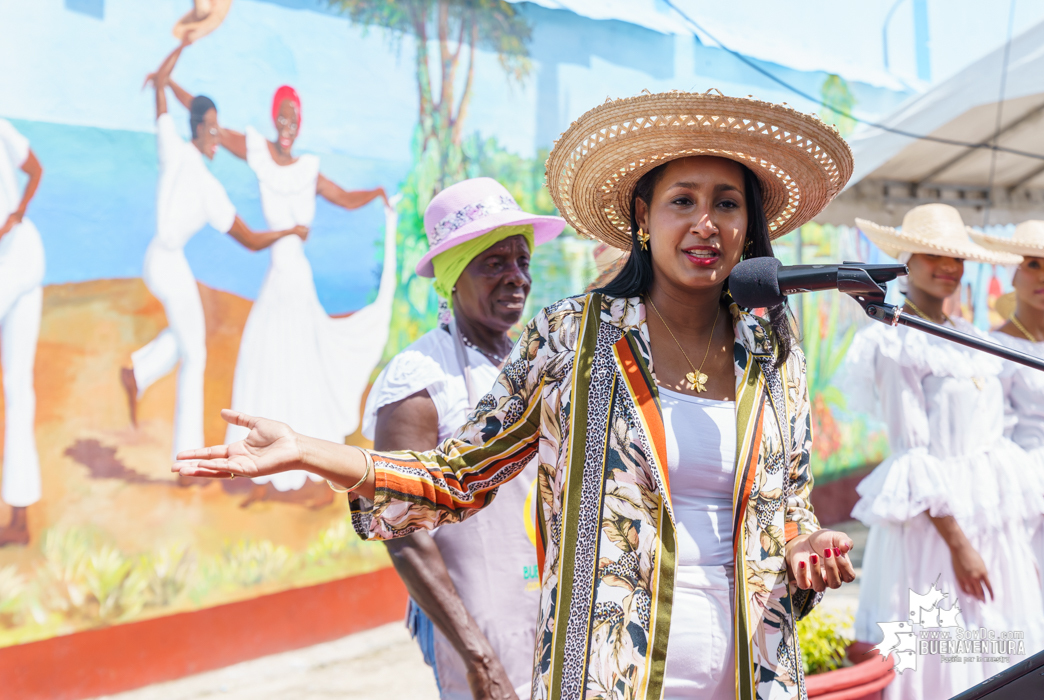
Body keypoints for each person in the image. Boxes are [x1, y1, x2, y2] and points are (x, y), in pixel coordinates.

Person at [174, 90, 859, 700]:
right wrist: (310, 452)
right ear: (645, 217)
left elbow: (786, 504)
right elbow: (455, 475)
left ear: (748, 226)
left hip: (752, 669)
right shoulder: (571, 341)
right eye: (684, 200)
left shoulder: (772, 354)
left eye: (727, 203)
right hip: (609, 675)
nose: (706, 222)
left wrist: (808, 543)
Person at [364, 177, 565, 700]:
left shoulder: (529, 363)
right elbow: (404, 533)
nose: (516, 277)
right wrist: (478, 657)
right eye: (494, 263)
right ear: (453, 276)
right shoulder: (420, 380)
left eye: (522, 260)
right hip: (476, 625)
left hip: (544, 606)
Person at [162, 76, 395, 506]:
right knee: (263, 359)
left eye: (294, 118)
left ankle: (307, 464)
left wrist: (377, 193)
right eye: (282, 117)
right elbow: (211, 124)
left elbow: (343, 197)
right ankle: (260, 457)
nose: (287, 125)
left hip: (298, 283)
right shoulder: (258, 155)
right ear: (275, 119)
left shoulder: (308, 171)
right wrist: (170, 86)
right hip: (276, 281)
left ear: (299, 124)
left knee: (301, 365)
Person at [849, 204, 1044, 700]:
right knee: (946, 649)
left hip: (993, 517)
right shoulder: (896, 341)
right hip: (941, 528)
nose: (947, 268)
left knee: (999, 647)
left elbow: (998, 431)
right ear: (906, 261)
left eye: (955, 259)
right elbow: (911, 452)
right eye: (933, 255)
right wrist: (958, 544)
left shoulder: (972, 337)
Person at [123, 42, 307, 459]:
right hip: (169, 265)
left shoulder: (173, 148)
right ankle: (186, 455)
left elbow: (160, 94)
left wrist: (176, 54)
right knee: (197, 353)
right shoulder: (208, 188)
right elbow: (250, 241)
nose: (217, 139)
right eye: (212, 130)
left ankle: (139, 369)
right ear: (200, 128)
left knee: (188, 336)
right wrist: (289, 230)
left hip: (157, 259)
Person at [972, 220, 1044, 612]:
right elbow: (993, 432)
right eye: (1034, 264)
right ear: (1012, 271)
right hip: (1029, 493)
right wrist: (1039, 491)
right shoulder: (993, 345)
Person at [0, 117, 44, 546]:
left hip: (22, 264)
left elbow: (35, 168)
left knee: (18, 388)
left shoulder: (1, 128)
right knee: (17, 389)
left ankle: (19, 517)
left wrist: (17, 213)